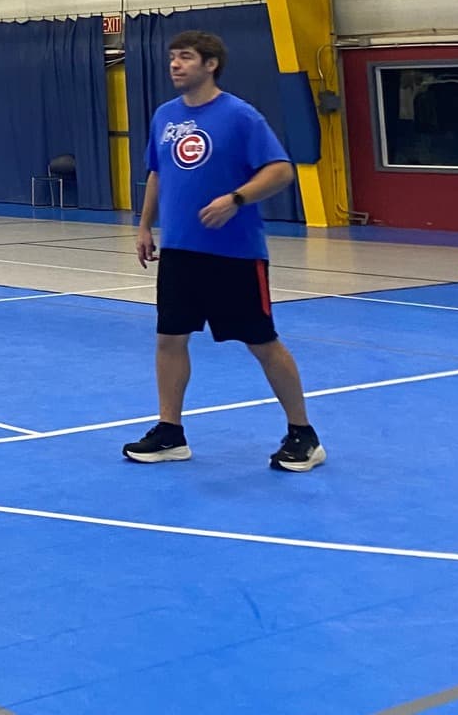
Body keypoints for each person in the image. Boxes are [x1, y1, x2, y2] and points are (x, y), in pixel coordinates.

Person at [127, 30, 322, 472]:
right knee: (169, 338)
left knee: (262, 342)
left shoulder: (240, 116)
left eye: (186, 58)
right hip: (180, 252)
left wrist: (236, 199)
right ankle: (170, 432)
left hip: (235, 255)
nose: (175, 65)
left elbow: (280, 171)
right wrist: (143, 226)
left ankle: (303, 434)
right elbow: (156, 173)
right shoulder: (165, 116)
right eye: (173, 58)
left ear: (210, 64)